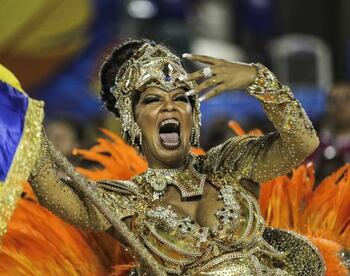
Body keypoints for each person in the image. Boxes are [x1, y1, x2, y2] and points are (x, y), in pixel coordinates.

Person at [29, 39, 324, 275]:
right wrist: (28, 130)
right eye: (153, 99)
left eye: (181, 98)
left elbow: (302, 142)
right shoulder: (129, 201)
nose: (169, 107)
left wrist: (257, 78)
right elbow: (54, 192)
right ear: (133, 119)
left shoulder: (229, 166)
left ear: (192, 115)